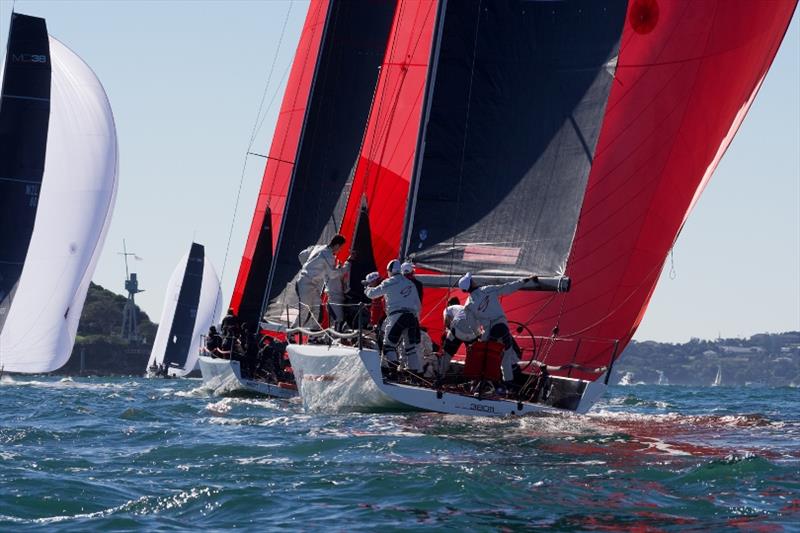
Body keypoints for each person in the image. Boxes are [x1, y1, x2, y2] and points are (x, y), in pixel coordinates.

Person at [459, 272, 535, 391]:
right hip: (501, 326)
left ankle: (480, 385)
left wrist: (480, 335)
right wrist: (525, 280)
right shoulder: (487, 290)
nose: (474, 280)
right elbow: (508, 288)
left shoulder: (468, 306)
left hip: (488, 332)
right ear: (471, 283)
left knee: (487, 358)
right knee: (506, 356)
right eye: (472, 280)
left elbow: (473, 325)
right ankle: (508, 385)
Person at [364, 260, 422, 377]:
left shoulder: (389, 282)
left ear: (389, 271)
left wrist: (367, 288)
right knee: (410, 347)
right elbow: (418, 305)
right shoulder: (410, 284)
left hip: (397, 316)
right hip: (412, 317)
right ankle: (414, 376)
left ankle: (393, 372)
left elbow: (373, 294)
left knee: (388, 345)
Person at [296, 234, 346, 329]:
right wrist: (345, 268)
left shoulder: (318, 247)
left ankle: (313, 335)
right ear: (336, 245)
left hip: (306, 282)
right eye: (340, 248)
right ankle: (291, 334)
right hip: (306, 284)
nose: (339, 250)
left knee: (317, 309)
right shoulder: (329, 256)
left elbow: (301, 255)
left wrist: (307, 267)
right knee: (304, 311)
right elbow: (332, 274)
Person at [439, 296, 481, 379]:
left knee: (447, 354)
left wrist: (447, 338)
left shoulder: (448, 308)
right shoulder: (463, 308)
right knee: (472, 357)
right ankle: (472, 379)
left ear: (449, 304)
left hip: (457, 331)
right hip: (473, 334)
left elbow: (447, 322)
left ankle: (440, 376)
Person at [326, 257, 351, 331]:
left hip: (338, 299)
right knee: (339, 319)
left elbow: (341, 275)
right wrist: (348, 261)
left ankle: (335, 336)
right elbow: (342, 271)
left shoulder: (334, 271)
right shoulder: (329, 272)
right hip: (334, 299)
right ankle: (336, 337)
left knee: (339, 319)